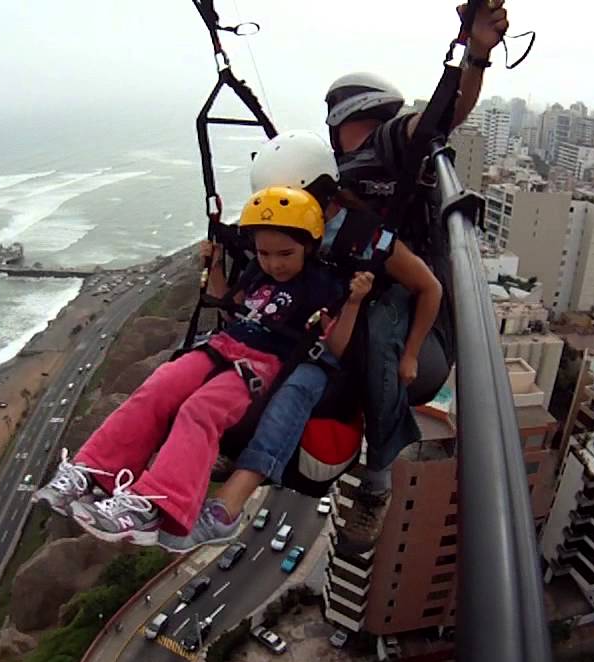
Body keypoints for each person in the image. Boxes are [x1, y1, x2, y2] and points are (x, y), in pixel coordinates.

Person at [33, 186, 373, 544]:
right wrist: (213, 266)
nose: (275, 263)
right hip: (223, 346)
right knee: (158, 386)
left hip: (260, 365)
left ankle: (155, 504)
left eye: (285, 253)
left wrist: (353, 302)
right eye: (264, 252)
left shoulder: (322, 285)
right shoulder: (259, 273)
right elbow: (234, 308)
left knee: (201, 409)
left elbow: (337, 345)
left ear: (310, 245)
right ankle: (94, 472)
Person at [158, 131, 442, 553]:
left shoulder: (363, 236)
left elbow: (429, 287)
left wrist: (412, 352)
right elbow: (244, 303)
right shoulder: (279, 244)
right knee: (204, 359)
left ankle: (376, 481)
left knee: (377, 363)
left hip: (352, 315)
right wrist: (217, 267)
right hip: (295, 324)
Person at [325, 1, 510, 553]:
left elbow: (442, 116)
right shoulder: (342, 175)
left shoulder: (386, 143)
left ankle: (375, 483)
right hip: (384, 291)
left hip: (415, 310)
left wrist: (474, 53)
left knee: (378, 331)